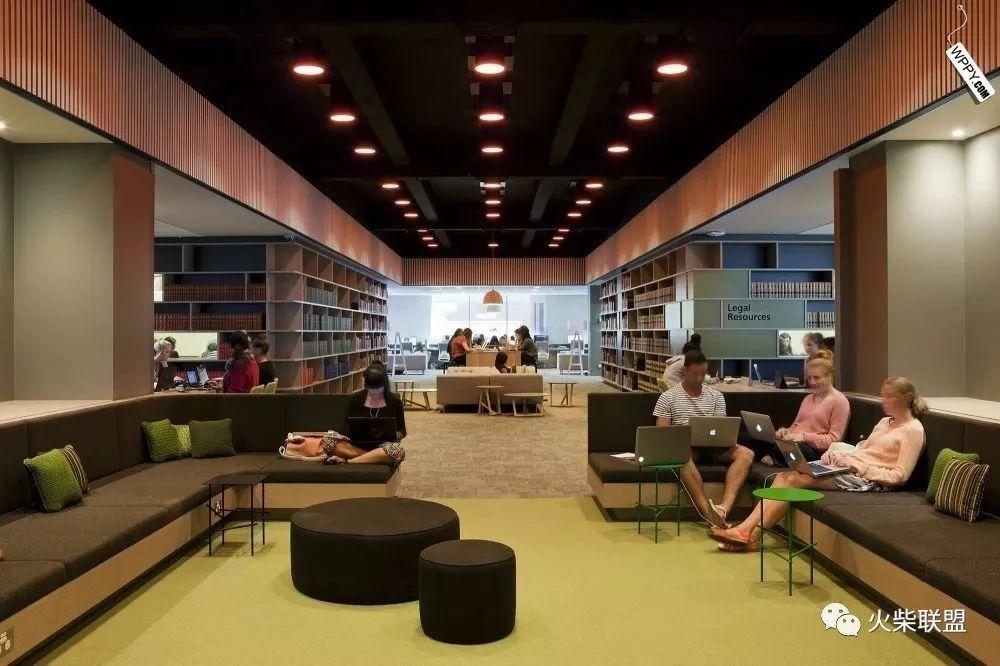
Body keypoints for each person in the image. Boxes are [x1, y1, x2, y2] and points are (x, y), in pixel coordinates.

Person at [711, 376, 928, 552]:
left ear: (904, 399)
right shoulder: (884, 422)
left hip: (869, 480)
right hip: (849, 468)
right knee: (783, 476)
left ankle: (747, 533)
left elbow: (899, 476)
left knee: (793, 480)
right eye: (883, 395)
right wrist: (838, 455)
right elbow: (863, 450)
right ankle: (748, 533)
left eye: (889, 396)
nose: (883, 400)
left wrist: (856, 466)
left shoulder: (913, 430)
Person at [653, 350, 754, 529]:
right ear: (685, 371)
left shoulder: (716, 396)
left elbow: (721, 429)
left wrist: (716, 436)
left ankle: (723, 509)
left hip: (715, 448)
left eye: (703, 373)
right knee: (681, 455)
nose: (699, 378)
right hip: (687, 449)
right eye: (695, 374)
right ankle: (708, 513)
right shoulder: (667, 397)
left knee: (746, 454)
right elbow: (662, 434)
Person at [761, 357, 850, 466]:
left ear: (829, 376)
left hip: (815, 450)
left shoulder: (840, 401)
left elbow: (834, 440)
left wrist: (804, 437)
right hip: (795, 443)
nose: (812, 382)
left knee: (792, 448)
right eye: (809, 378)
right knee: (755, 437)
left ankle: (774, 457)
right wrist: (785, 432)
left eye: (816, 377)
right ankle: (775, 456)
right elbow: (795, 426)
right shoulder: (808, 399)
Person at [325, 365, 406, 466]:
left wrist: (395, 434)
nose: (375, 392)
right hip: (357, 446)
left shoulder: (394, 401)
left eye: (378, 388)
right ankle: (371, 458)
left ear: (385, 385)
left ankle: (348, 461)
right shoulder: (356, 399)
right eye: (371, 388)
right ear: (366, 385)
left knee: (397, 451)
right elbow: (345, 427)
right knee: (328, 440)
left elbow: (402, 431)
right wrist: (350, 433)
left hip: (383, 447)